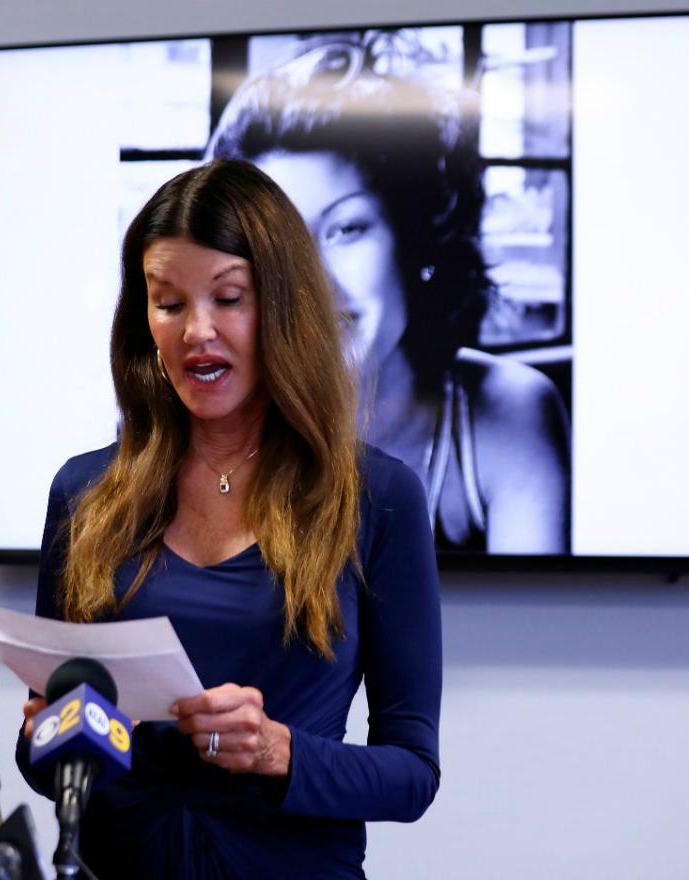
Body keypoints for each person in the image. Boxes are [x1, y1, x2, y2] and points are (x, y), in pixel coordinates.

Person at [16, 160, 442, 879]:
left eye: (229, 298)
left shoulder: (379, 497)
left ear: (283, 305)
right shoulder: (83, 490)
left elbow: (412, 774)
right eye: (169, 302)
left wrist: (278, 751)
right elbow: (44, 764)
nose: (197, 332)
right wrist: (49, 736)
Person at [208, 34, 570, 553]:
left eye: (346, 230)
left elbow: (542, 628)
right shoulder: (203, 432)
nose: (310, 282)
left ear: (415, 238)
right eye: (276, 244)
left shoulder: (509, 413)